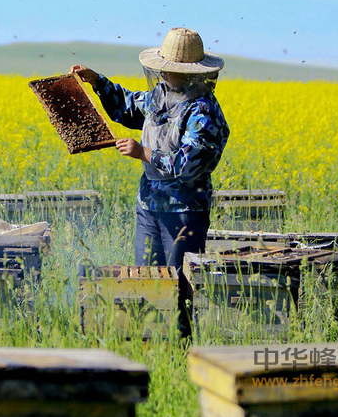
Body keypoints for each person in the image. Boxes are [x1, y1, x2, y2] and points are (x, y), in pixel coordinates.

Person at [71, 27, 229, 270]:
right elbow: (128, 107)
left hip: (184, 211)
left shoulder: (202, 111)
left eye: (171, 69)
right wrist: (97, 81)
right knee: (146, 284)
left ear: (189, 74)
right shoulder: (161, 95)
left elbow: (188, 165)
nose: (164, 72)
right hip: (148, 206)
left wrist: (141, 152)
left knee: (178, 288)